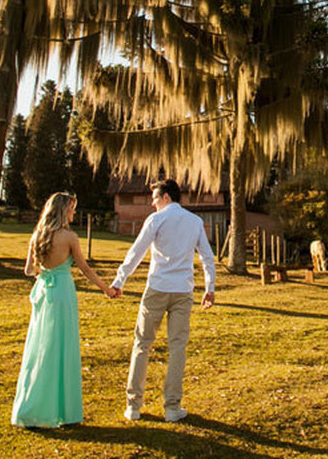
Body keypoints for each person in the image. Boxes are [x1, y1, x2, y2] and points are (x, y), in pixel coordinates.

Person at [110, 179, 216, 423]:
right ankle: (172, 407)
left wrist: (119, 281)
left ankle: (133, 405)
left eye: (155, 198)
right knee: (177, 347)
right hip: (183, 292)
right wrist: (209, 288)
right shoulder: (195, 221)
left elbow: (136, 252)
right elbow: (207, 257)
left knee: (142, 344)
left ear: (166, 197)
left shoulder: (156, 220)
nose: (153, 203)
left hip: (157, 289)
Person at [12, 192, 114, 428]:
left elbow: (29, 270)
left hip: (42, 293)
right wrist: (106, 289)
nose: (74, 212)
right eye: (72, 208)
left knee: (40, 347)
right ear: (63, 210)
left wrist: (45, 271)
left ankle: (32, 406)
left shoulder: (37, 235)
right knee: (62, 348)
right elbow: (85, 269)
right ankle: (64, 411)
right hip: (62, 293)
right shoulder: (69, 237)